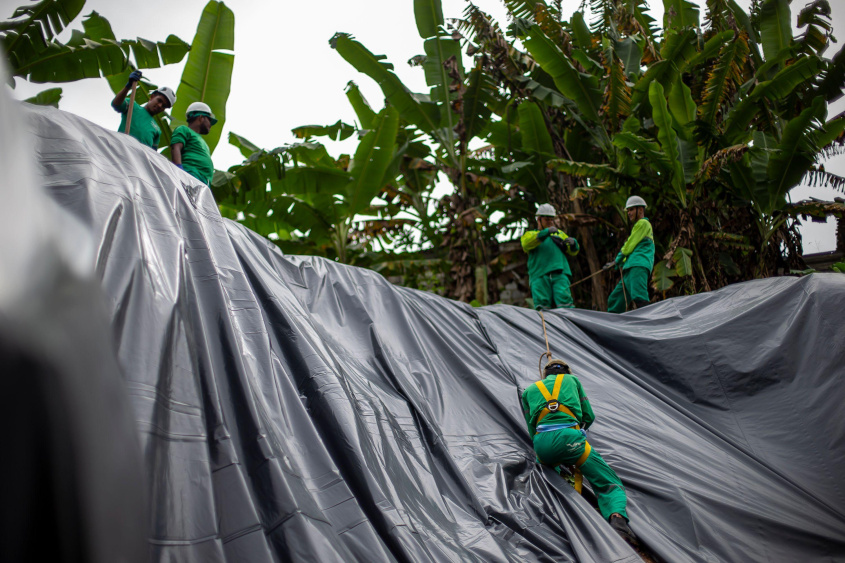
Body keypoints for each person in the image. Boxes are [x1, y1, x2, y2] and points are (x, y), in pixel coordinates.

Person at [521, 359, 639, 547]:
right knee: (607, 482)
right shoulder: (572, 381)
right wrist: (577, 432)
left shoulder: (528, 391)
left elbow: (531, 429)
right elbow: (588, 416)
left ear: (545, 375)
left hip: (542, 445)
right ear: (566, 372)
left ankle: (556, 513)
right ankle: (618, 521)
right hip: (571, 440)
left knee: (547, 475)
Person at [520, 204, 580, 310]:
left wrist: (574, 244)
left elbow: (572, 251)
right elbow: (526, 244)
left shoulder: (559, 234)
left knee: (565, 303)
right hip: (540, 274)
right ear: (539, 220)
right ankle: (543, 326)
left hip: (560, 273)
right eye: (547, 220)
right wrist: (545, 233)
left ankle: (568, 326)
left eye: (552, 220)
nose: (550, 223)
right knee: (542, 306)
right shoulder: (530, 234)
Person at [604, 196, 654, 313]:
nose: (629, 213)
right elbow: (633, 247)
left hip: (638, 265)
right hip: (629, 268)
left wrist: (617, 259)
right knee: (615, 299)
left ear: (640, 210)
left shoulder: (643, 223)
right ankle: (614, 327)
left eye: (631, 210)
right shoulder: (638, 226)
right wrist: (618, 263)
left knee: (639, 297)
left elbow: (629, 244)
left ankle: (650, 324)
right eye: (628, 210)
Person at [111, 70, 175, 150]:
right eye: (159, 100)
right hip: (120, 150)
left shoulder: (157, 130)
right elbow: (116, 104)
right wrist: (128, 86)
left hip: (137, 161)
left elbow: (153, 154)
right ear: (152, 97)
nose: (159, 105)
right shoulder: (132, 105)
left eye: (163, 106)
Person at [170, 102, 217, 185]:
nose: (210, 125)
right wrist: (178, 169)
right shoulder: (184, 129)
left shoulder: (202, 140)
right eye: (209, 120)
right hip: (190, 175)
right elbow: (175, 147)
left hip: (203, 181)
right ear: (201, 117)